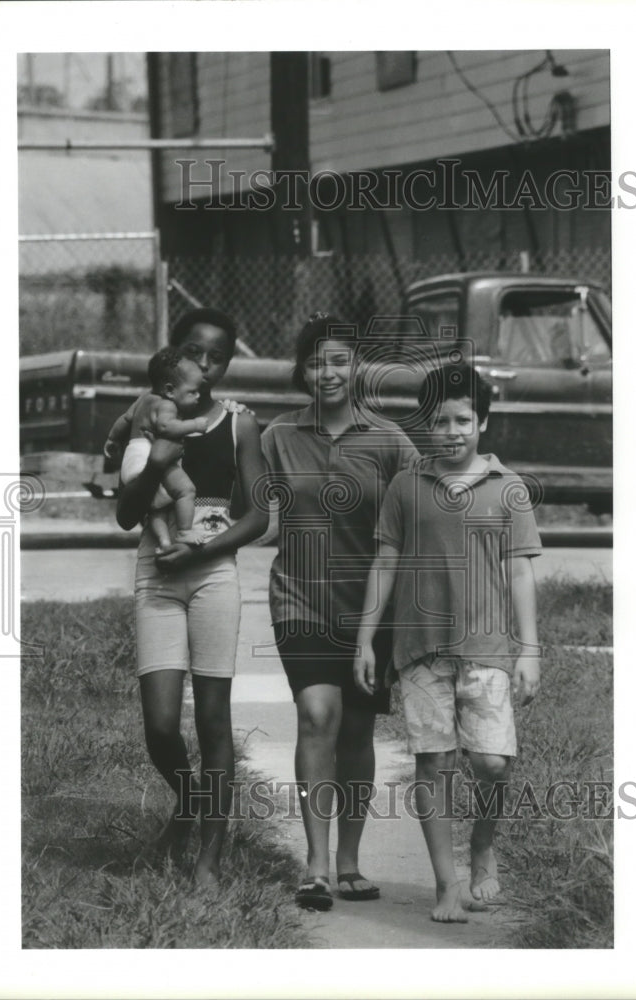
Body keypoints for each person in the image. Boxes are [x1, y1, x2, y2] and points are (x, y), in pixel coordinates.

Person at [355, 362, 542, 923]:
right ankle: (445, 882)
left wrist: (530, 649)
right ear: (425, 426)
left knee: (491, 763)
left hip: (487, 650)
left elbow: (520, 573)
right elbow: (383, 563)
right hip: (419, 650)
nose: (453, 431)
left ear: (482, 420)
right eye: (441, 421)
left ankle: (483, 846)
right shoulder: (407, 486)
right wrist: (366, 640)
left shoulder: (507, 489)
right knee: (432, 761)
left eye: (463, 419)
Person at [261, 313, 418, 911]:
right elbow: (250, 510)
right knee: (316, 714)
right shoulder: (277, 436)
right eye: (315, 361)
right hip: (298, 598)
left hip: (371, 613)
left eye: (338, 360)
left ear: (356, 368)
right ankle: (316, 863)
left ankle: (351, 861)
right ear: (301, 370)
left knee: (356, 729)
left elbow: (413, 527)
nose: (327, 371)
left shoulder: (389, 441)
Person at [115, 308, 268, 888]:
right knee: (158, 724)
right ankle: (189, 802)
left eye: (218, 357)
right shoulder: (147, 417)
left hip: (211, 574)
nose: (205, 366)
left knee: (212, 719)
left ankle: (210, 853)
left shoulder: (239, 423)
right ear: (174, 354)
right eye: (195, 353)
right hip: (157, 572)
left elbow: (258, 515)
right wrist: (153, 462)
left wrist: (201, 551)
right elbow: (127, 514)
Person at [105, 347, 209, 552]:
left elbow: (125, 419)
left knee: (156, 507)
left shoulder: (143, 399)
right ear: (170, 390)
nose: (198, 396)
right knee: (185, 491)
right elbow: (165, 427)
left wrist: (112, 438)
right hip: (148, 456)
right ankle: (185, 531)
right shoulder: (167, 405)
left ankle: (163, 543)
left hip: (132, 460)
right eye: (192, 392)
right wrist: (195, 425)